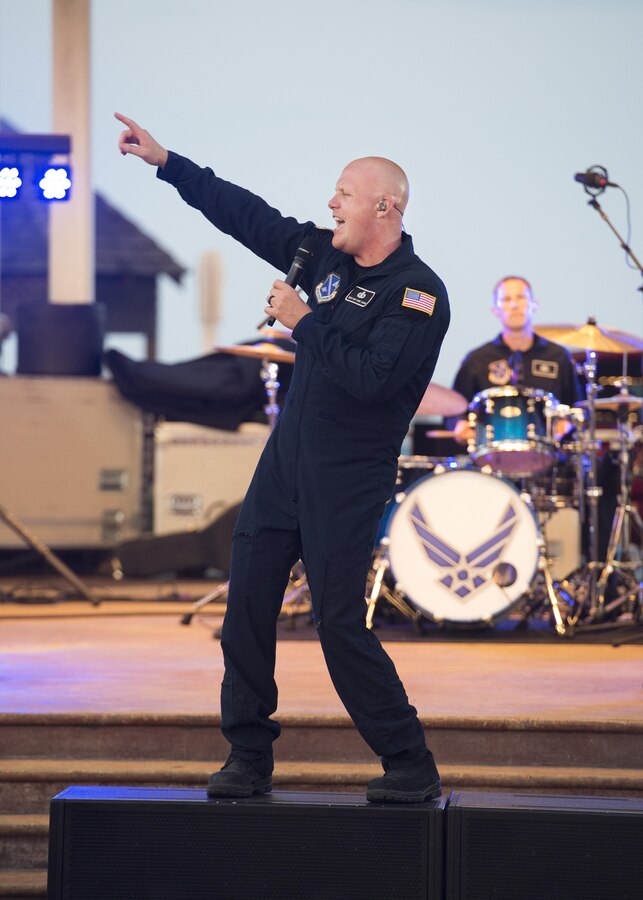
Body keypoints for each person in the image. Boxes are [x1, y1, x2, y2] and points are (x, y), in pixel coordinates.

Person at [115, 112, 450, 803]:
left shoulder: (417, 295)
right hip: (285, 465)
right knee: (247, 609)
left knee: (335, 623)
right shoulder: (321, 255)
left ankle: (408, 761)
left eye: (344, 194)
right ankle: (247, 755)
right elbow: (246, 215)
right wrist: (168, 162)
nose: (332, 204)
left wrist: (306, 322)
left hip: (347, 478)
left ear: (384, 206)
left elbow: (371, 381)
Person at [449, 275, 582, 444]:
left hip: (549, 455)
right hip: (491, 457)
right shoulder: (477, 359)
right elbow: (454, 410)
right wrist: (459, 425)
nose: (514, 305)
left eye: (521, 297)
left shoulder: (558, 356)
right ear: (495, 310)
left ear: (534, 305)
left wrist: (567, 423)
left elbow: (577, 407)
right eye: (506, 299)